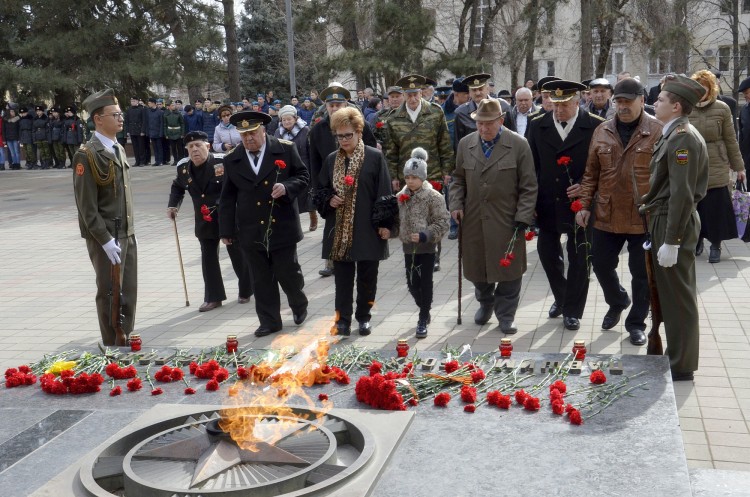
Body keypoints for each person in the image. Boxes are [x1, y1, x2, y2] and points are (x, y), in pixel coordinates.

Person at [576, 78, 663, 346]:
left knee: (641, 273)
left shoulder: (658, 130)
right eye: (619, 102)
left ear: (642, 100)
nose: (622, 106)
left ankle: (636, 323)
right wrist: (583, 205)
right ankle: (617, 300)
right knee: (601, 264)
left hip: (642, 215)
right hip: (607, 212)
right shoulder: (602, 131)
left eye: (628, 101)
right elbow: (591, 173)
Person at [640, 74, 709, 382]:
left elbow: (682, 193)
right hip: (663, 218)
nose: (656, 102)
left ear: (677, 106)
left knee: (679, 297)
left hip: (672, 221)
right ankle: (676, 356)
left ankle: (681, 364)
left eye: (662, 99)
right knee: (669, 294)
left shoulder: (682, 137)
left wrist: (673, 239)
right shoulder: (673, 133)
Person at [218, 110, 310, 337]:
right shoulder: (232, 159)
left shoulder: (285, 148)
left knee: (288, 273)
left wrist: (287, 187)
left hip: (282, 225)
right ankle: (270, 321)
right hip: (251, 229)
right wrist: (226, 230)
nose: (249, 139)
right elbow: (228, 197)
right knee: (261, 278)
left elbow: (303, 176)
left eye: (253, 133)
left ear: (263, 130)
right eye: (244, 135)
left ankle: (298, 303)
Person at [450, 99, 538, 333]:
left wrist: (523, 216)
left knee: (509, 271)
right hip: (474, 219)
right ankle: (485, 302)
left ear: (501, 121)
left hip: (507, 220)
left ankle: (506, 314)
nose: (483, 128)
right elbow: (458, 178)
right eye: (479, 123)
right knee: (477, 268)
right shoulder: (465, 144)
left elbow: (529, 185)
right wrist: (455, 203)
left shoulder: (519, 145)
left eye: (489, 124)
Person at [527, 80, 605, 331]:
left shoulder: (595, 125)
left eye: (565, 105)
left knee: (580, 256)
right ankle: (562, 297)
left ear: (578, 101)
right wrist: (531, 202)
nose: (558, 110)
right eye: (554, 104)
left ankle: (572, 309)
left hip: (581, 205)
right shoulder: (538, 125)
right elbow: (531, 167)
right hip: (547, 201)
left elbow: (604, 166)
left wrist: (584, 185)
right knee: (547, 254)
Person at [315, 106, 394, 336]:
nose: (344, 140)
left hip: (368, 226)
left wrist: (385, 224)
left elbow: (385, 192)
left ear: (359, 132)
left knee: (368, 276)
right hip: (339, 230)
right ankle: (342, 320)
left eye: (348, 135)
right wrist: (329, 199)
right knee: (342, 278)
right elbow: (320, 190)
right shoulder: (332, 160)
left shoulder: (374, 157)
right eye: (339, 136)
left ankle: (364, 317)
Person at [72, 88, 136, 346]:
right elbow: (86, 207)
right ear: (98, 119)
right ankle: (112, 346)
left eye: (121, 114)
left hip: (126, 233)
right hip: (106, 237)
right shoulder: (86, 155)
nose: (121, 118)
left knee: (128, 291)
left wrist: (130, 232)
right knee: (110, 293)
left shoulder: (117, 148)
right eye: (115, 114)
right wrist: (106, 240)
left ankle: (126, 338)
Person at [168, 131, 252, 311]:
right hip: (204, 220)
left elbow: (239, 185)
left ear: (208, 146)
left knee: (236, 254)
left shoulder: (223, 162)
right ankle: (214, 297)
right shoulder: (183, 168)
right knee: (208, 258)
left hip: (227, 217)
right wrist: (173, 205)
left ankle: (246, 289)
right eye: (190, 147)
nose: (194, 150)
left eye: (198, 145)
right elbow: (177, 187)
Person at [307, 82, 377, 277]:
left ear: (346, 105)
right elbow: (314, 162)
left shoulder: (360, 125)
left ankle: (361, 255)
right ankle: (332, 261)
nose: (335, 108)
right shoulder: (317, 130)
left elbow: (372, 152)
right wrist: (318, 190)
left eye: (338, 105)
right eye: (331, 105)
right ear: (326, 107)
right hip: (331, 186)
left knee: (359, 220)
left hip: (358, 182)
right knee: (332, 224)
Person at [385, 73, 454, 271]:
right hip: (407, 177)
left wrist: (447, 170)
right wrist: (394, 177)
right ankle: (413, 255)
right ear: (404, 95)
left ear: (421, 92)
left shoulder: (435, 111)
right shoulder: (394, 118)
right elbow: (391, 151)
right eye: (409, 95)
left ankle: (434, 255)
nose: (413, 98)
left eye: (416, 94)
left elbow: (444, 144)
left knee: (432, 216)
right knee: (410, 216)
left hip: (431, 174)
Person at [688, 70, 746, 263]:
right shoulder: (686, 108)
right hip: (692, 163)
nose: (700, 91)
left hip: (717, 163)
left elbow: (731, 139)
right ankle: (697, 239)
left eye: (704, 87)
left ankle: (715, 244)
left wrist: (739, 168)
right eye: (697, 87)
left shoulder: (722, 108)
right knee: (696, 206)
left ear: (711, 88)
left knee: (716, 207)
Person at [396, 148, 450, 337]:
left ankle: (423, 316)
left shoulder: (433, 197)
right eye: (407, 177)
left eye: (414, 177)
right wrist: (390, 230)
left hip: (427, 248)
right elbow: (397, 220)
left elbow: (443, 222)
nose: (410, 181)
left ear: (423, 178)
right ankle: (424, 308)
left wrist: (426, 235)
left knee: (425, 281)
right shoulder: (401, 197)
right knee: (412, 282)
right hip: (408, 247)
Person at [275, 105, 316, 231]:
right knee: (291, 196)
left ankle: (313, 217)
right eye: (284, 120)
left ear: (295, 118)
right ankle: (294, 223)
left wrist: (312, 169)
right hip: (286, 168)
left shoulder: (305, 130)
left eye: (289, 119)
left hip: (303, 166)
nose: (287, 122)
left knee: (307, 195)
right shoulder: (278, 132)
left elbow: (311, 151)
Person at [454, 73, 514, 145]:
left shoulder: (503, 106)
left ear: (487, 89)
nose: (478, 93)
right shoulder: (461, 113)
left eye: (480, 89)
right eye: (474, 90)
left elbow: (512, 136)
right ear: (469, 92)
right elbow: (459, 144)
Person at [125, 97, 149, 167]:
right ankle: (137, 161)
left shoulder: (141, 109)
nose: (132, 102)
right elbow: (127, 121)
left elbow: (144, 121)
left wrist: (142, 131)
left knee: (141, 147)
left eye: (134, 101)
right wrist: (128, 131)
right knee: (135, 147)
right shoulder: (129, 110)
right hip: (132, 131)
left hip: (139, 131)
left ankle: (142, 161)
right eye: (131, 101)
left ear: (137, 101)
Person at [164, 100, 185, 164]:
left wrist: (182, 133)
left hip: (178, 132)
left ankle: (180, 159)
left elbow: (182, 123)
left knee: (179, 147)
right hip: (170, 133)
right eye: (172, 105)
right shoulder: (166, 115)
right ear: (169, 107)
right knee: (173, 148)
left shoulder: (178, 114)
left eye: (174, 105)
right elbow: (165, 125)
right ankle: (175, 160)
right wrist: (166, 134)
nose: (174, 106)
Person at [146, 98, 165, 166]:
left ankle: (161, 161)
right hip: (152, 132)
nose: (148, 104)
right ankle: (157, 160)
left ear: (154, 103)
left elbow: (161, 123)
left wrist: (161, 133)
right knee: (154, 148)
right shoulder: (149, 112)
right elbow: (148, 123)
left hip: (158, 132)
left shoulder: (160, 112)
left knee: (159, 147)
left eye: (149, 103)